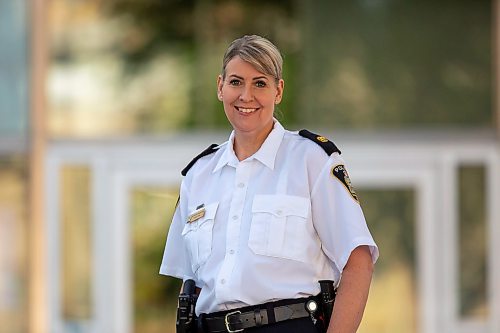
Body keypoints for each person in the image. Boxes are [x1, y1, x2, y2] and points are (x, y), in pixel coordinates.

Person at [160, 34, 379, 333]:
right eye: (236, 82)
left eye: (260, 83)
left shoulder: (311, 160)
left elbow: (359, 261)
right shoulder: (198, 175)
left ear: (278, 91)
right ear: (220, 87)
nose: (246, 96)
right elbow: (190, 286)